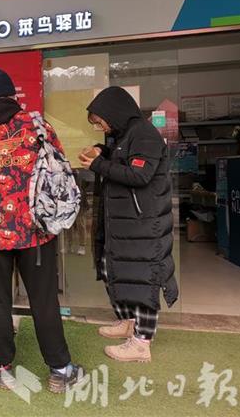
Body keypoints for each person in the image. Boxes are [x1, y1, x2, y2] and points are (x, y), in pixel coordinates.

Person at [0, 68, 85, 393]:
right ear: (12, 95)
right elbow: (59, 167)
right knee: (44, 300)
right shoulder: (38, 127)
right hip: (35, 231)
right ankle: (60, 370)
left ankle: (1, 367)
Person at [78, 86, 179, 363]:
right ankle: (128, 322)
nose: (101, 126)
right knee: (114, 270)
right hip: (125, 224)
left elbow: (139, 175)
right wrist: (100, 150)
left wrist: (97, 165)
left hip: (142, 225)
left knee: (142, 279)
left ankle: (141, 342)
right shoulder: (125, 135)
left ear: (115, 112)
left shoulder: (144, 134)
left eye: (100, 121)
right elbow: (118, 156)